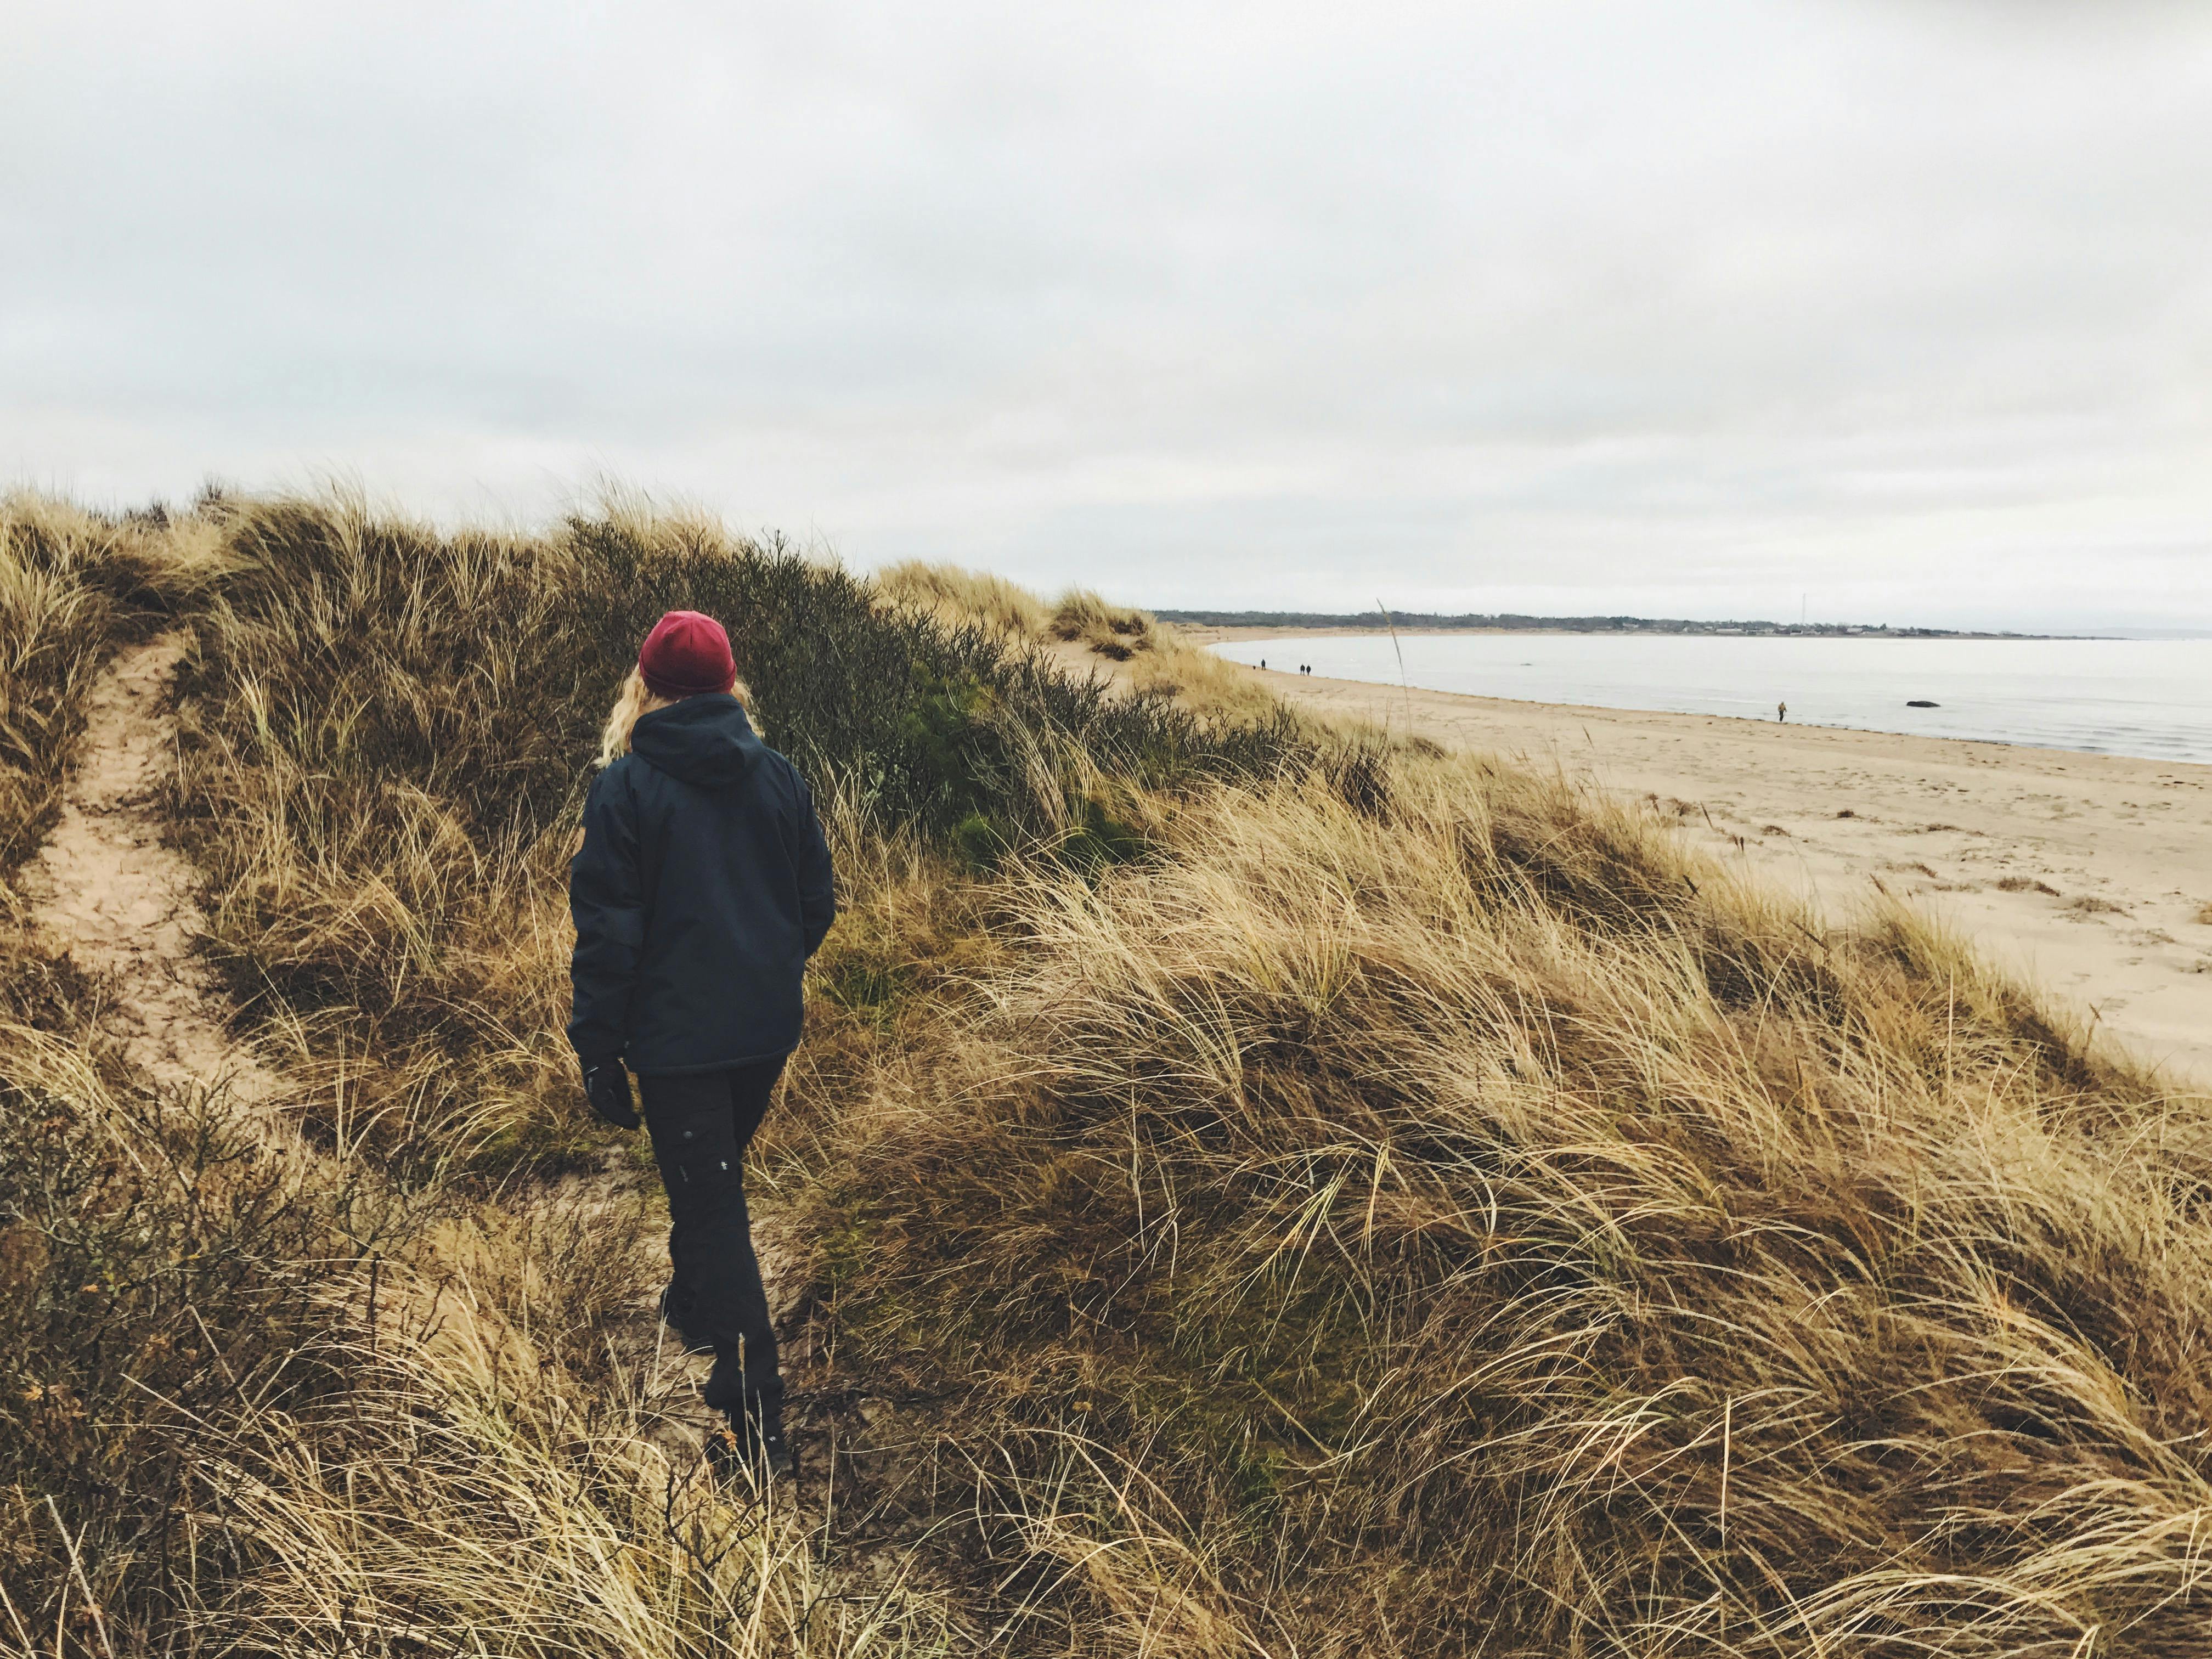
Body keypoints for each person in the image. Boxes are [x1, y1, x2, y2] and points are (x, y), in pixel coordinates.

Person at [568, 610, 836, 1483]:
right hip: (764, 1030)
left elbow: (611, 938)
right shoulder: (782, 778)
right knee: (710, 1186)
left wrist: (598, 1048)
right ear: (730, 688)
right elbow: (815, 906)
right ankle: (693, 1300)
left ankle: (752, 1420)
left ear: (644, 687)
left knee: (713, 1208)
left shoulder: (624, 788)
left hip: (677, 1042)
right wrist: (764, 967)